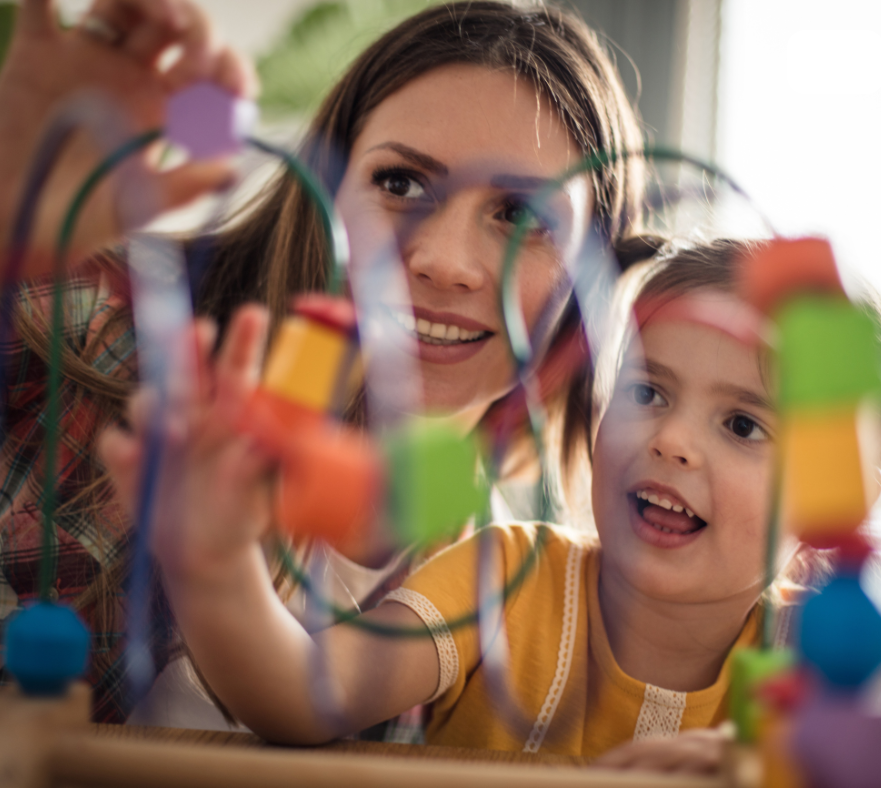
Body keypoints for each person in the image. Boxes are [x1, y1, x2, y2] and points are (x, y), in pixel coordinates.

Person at [0, 0, 652, 725]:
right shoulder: (93, 319)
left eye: (522, 217)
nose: (444, 262)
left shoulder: (501, 589)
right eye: (400, 183)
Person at [100, 238, 881, 777]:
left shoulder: (822, 650)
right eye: (648, 389)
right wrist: (212, 567)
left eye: (743, 423)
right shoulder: (507, 576)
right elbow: (299, 695)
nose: (673, 440)